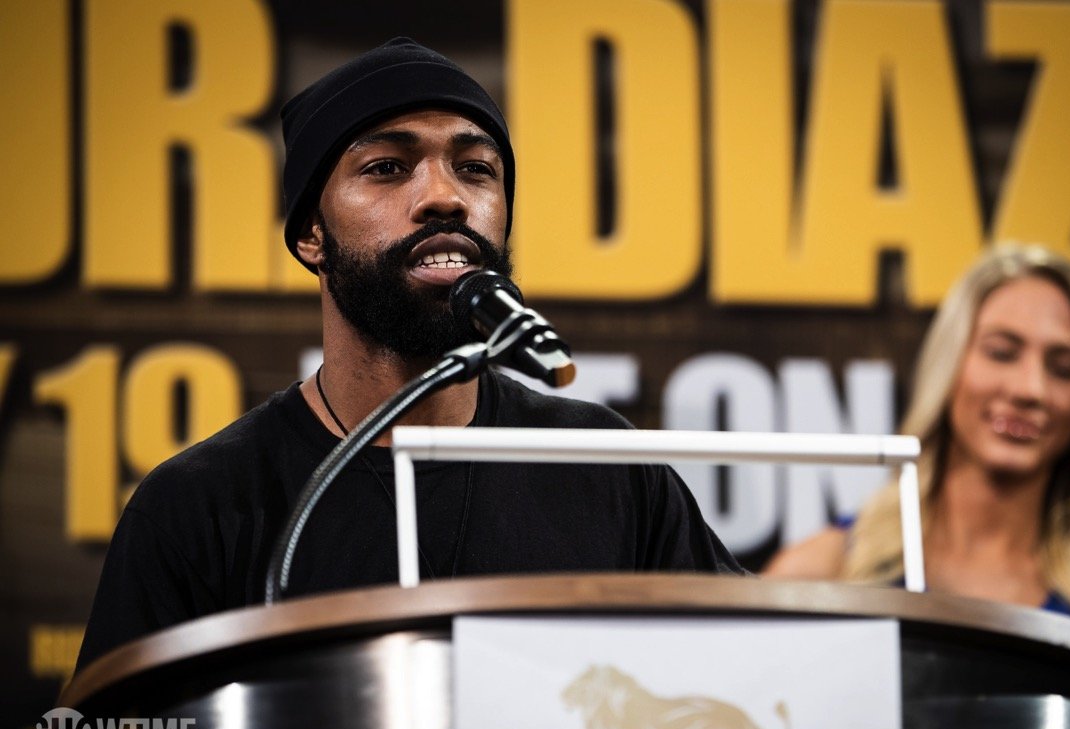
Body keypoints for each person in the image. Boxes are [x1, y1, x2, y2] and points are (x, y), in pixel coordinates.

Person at [76, 38, 742, 670]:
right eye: (387, 168)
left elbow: (749, 678)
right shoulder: (200, 504)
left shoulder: (603, 466)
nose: (444, 197)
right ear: (312, 233)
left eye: (475, 169)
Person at [764, 243, 1070, 729]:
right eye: (1001, 352)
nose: (1029, 390)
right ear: (951, 365)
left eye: (1063, 368)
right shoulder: (820, 575)